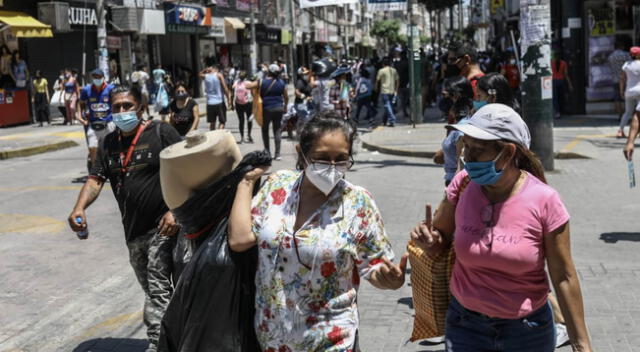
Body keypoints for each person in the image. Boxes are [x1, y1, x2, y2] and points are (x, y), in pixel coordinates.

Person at [410, 104, 593, 352]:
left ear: (507, 153)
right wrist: (430, 241)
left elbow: (564, 276)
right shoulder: (463, 185)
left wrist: (581, 345)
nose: (468, 158)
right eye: (467, 147)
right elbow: (440, 239)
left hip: (527, 332)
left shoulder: (545, 200)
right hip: (465, 327)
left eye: (479, 150)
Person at [227, 112, 407, 351]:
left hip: (331, 340)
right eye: (322, 158)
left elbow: (374, 267)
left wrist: (389, 280)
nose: (332, 167)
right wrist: (245, 182)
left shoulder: (358, 203)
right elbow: (239, 240)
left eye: (341, 159)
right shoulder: (277, 186)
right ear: (301, 153)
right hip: (272, 337)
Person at [68, 84, 182, 352]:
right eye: (116, 107)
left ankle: (159, 345)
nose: (121, 112)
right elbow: (96, 180)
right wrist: (79, 207)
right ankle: (182, 335)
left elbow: (188, 169)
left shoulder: (161, 133)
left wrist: (175, 210)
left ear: (140, 107)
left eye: (127, 106)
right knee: (155, 291)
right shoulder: (109, 143)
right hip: (133, 233)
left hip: (163, 229)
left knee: (157, 290)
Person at [433, 77, 474, 186]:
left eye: (447, 95)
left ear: (456, 96)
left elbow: (462, 161)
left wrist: (454, 191)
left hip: (457, 183)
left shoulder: (463, 127)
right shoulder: (460, 123)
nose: (444, 98)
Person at [245, 64, 287, 160]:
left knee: (265, 130)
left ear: (269, 72)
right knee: (277, 131)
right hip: (279, 108)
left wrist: (253, 80)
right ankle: (277, 154)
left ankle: (267, 152)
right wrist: (285, 107)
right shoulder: (281, 83)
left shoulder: (262, 82)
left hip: (266, 109)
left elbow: (248, 86)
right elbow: (286, 96)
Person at [77, 68, 117, 171]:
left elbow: (116, 102)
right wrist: (80, 116)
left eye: (99, 77)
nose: (97, 79)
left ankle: (111, 167)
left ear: (103, 78)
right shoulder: (87, 90)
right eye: (94, 77)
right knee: (92, 147)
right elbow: (81, 103)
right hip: (93, 123)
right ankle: (97, 168)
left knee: (111, 147)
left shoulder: (110, 89)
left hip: (108, 123)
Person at [200, 65, 230, 131]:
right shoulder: (219, 75)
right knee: (222, 122)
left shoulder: (206, 76)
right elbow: (225, 87)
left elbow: (199, 74)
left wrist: (205, 69)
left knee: (212, 123)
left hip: (210, 103)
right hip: (219, 102)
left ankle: (212, 137)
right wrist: (228, 99)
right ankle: (219, 135)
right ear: (216, 69)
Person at [619, 47, 640, 138]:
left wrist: (621, 90)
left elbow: (622, 79)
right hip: (639, 91)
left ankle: (620, 131)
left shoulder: (626, 65)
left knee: (627, 112)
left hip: (629, 91)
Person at [608, 37, 631, 119]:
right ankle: (626, 114)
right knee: (626, 98)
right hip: (626, 79)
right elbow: (630, 66)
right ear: (622, 46)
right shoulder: (626, 55)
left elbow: (610, 67)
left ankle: (620, 114)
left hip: (615, 79)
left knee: (617, 98)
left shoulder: (611, 56)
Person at [376, 57, 399, 127]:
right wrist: (396, 89)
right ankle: (385, 120)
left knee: (387, 105)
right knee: (389, 106)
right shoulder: (394, 70)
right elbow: (398, 80)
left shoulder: (381, 71)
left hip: (384, 90)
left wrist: (376, 88)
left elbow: (377, 80)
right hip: (392, 90)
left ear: (383, 64)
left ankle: (392, 119)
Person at [232, 70, 254, 143]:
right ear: (246, 77)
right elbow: (253, 93)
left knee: (241, 121)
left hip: (238, 104)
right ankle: (249, 135)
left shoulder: (236, 82)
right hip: (248, 103)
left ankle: (242, 138)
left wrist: (232, 104)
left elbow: (232, 91)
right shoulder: (249, 83)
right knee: (249, 120)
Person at [551, 51, 573, 120]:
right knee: (561, 97)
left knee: (555, 98)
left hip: (554, 81)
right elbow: (566, 75)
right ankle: (562, 110)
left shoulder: (552, 63)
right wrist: (570, 84)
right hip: (561, 81)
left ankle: (557, 112)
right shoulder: (563, 63)